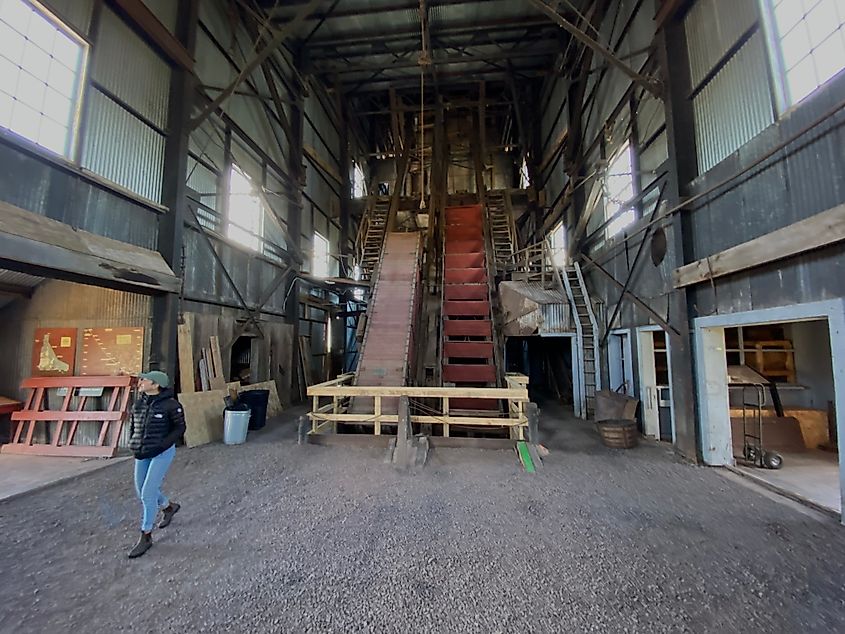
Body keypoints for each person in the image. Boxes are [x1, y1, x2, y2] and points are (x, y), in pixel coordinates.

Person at [127, 371, 185, 558]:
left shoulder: (171, 405)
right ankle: (169, 507)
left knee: (148, 494)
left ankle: (146, 535)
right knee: (141, 491)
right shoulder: (138, 404)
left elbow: (180, 428)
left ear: (156, 384)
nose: (140, 382)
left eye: (144, 380)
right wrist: (132, 442)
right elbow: (133, 426)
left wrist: (163, 445)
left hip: (161, 453)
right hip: (141, 452)